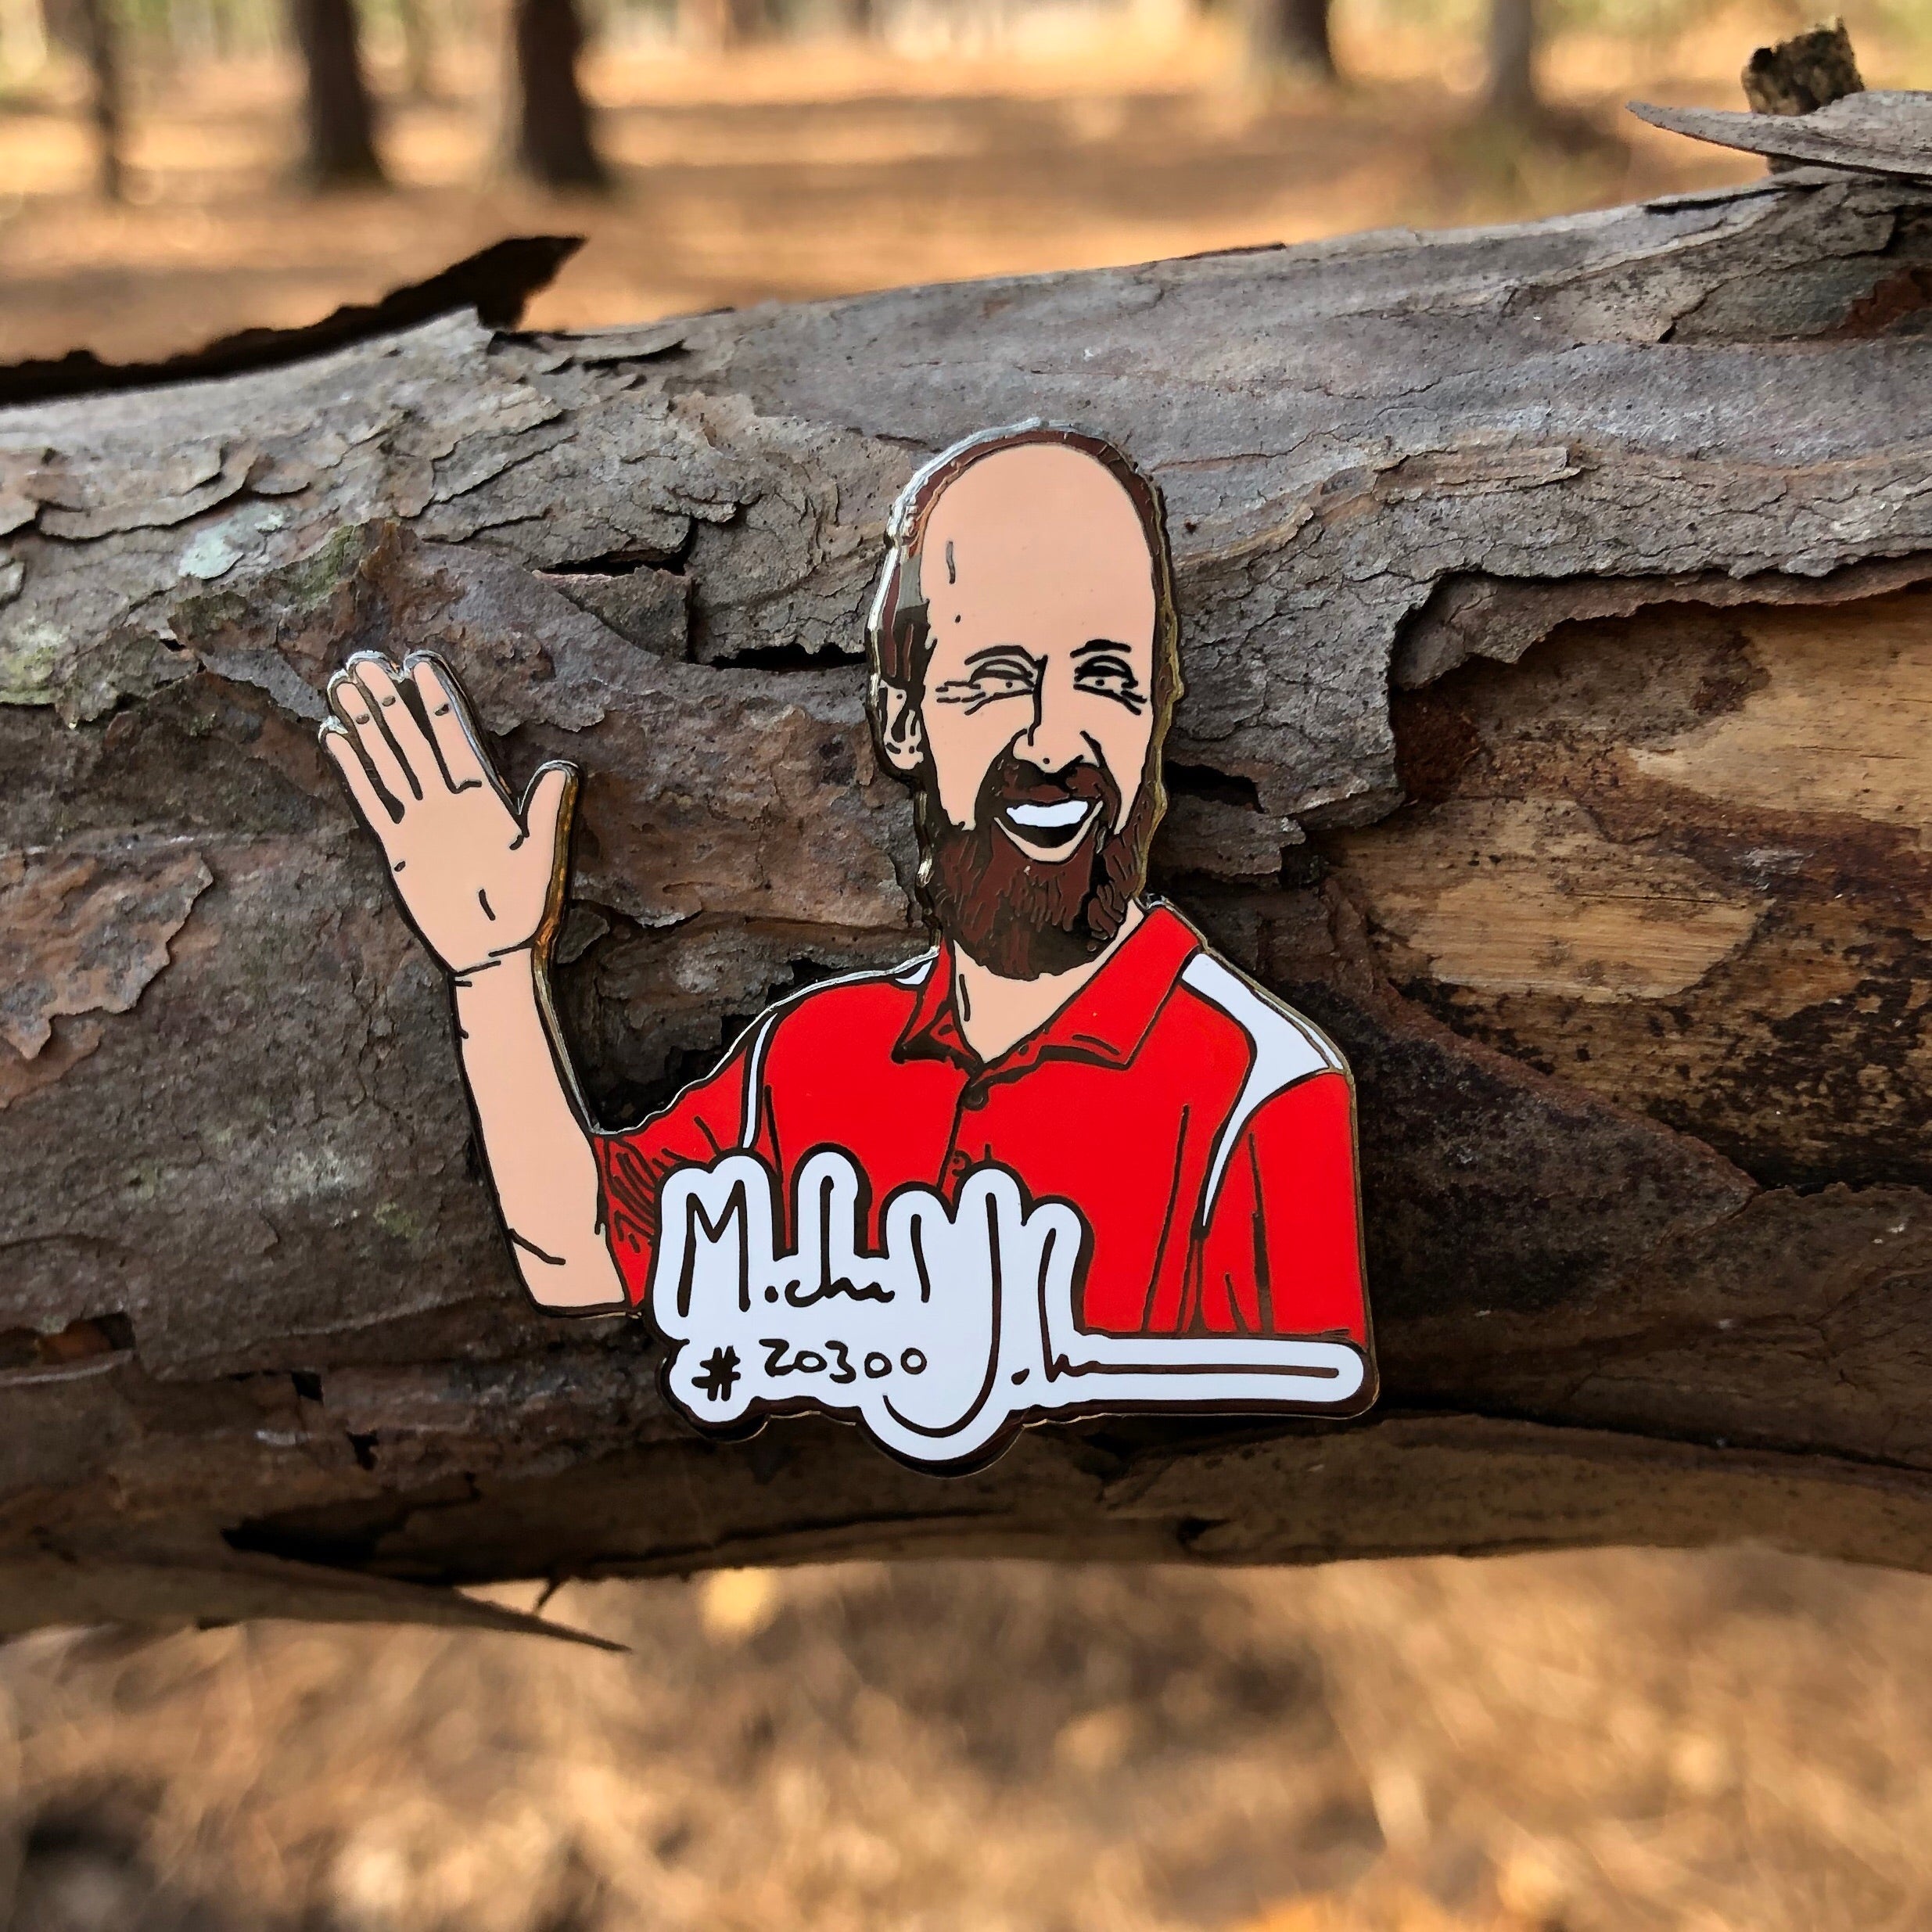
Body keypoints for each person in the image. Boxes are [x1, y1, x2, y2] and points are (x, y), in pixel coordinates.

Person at [321, 423, 1374, 1468]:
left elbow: (1300, 1418)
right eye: (996, 680)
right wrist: (494, 969)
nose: (1057, 739)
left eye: (1105, 679)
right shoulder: (810, 1060)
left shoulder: (1266, 1088)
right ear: (904, 719)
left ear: (1157, 712)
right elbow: (581, 1256)